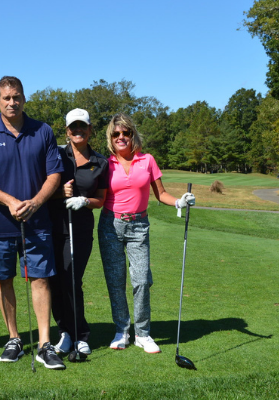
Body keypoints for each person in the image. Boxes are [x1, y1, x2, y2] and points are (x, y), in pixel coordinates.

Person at [0, 76, 66, 370]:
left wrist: (35, 202)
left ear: (24, 98)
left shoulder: (43, 131)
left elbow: (54, 175)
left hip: (37, 221)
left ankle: (45, 344)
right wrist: (10, 201)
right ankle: (14, 339)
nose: (12, 102)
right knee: (4, 279)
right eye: (6, 98)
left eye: (17, 97)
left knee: (40, 278)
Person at [97, 112, 195, 354]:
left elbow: (160, 194)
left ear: (133, 135)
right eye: (116, 133)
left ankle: (142, 333)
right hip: (111, 224)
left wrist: (179, 202)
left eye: (125, 133)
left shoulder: (147, 160)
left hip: (139, 226)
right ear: (111, 137)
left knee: (141, 280)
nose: (121, 137)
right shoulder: (105, 163)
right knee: (116, 281)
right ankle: (122, 331)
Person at [47, 108, 108, 356]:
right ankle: (64, 333)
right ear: (67, 131)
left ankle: (81, 335)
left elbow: (100, 199)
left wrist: (84, 201)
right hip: (52, 226)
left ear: (91, 129)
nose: (78, 131)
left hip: (79, 229)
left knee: (72, 279)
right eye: (73, 127)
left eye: (83, 126)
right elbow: (43, 185)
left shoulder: (99, 162)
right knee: (54, 281)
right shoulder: (56, 155)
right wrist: (59, 192)